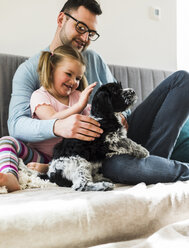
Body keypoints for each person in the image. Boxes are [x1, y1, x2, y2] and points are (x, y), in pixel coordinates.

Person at [1, 0, 189, 191]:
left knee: (182, 80)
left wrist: (123, 115)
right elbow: (16, 125)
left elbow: (121, 103)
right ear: (61, 19)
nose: (85, 38)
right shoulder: (29, 70)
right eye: (81, 27)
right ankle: (156, 168)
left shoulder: (94, 60)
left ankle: (155, 162)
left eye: (91, 33)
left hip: (122, 137)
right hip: (99, 155)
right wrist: (58, 125)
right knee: (118, 166)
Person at [0, 44, 98, 192]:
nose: (73, 82)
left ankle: (48, 170)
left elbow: (90, 122)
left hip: (68, 159)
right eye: (69, 74)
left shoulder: (78, 96)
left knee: (89, 154)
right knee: (7, 141)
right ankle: (10, 176)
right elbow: (51, 118)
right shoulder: (40, 95)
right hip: (40, 156)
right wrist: (78, 107)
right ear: (52, 69)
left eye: (78, 78)